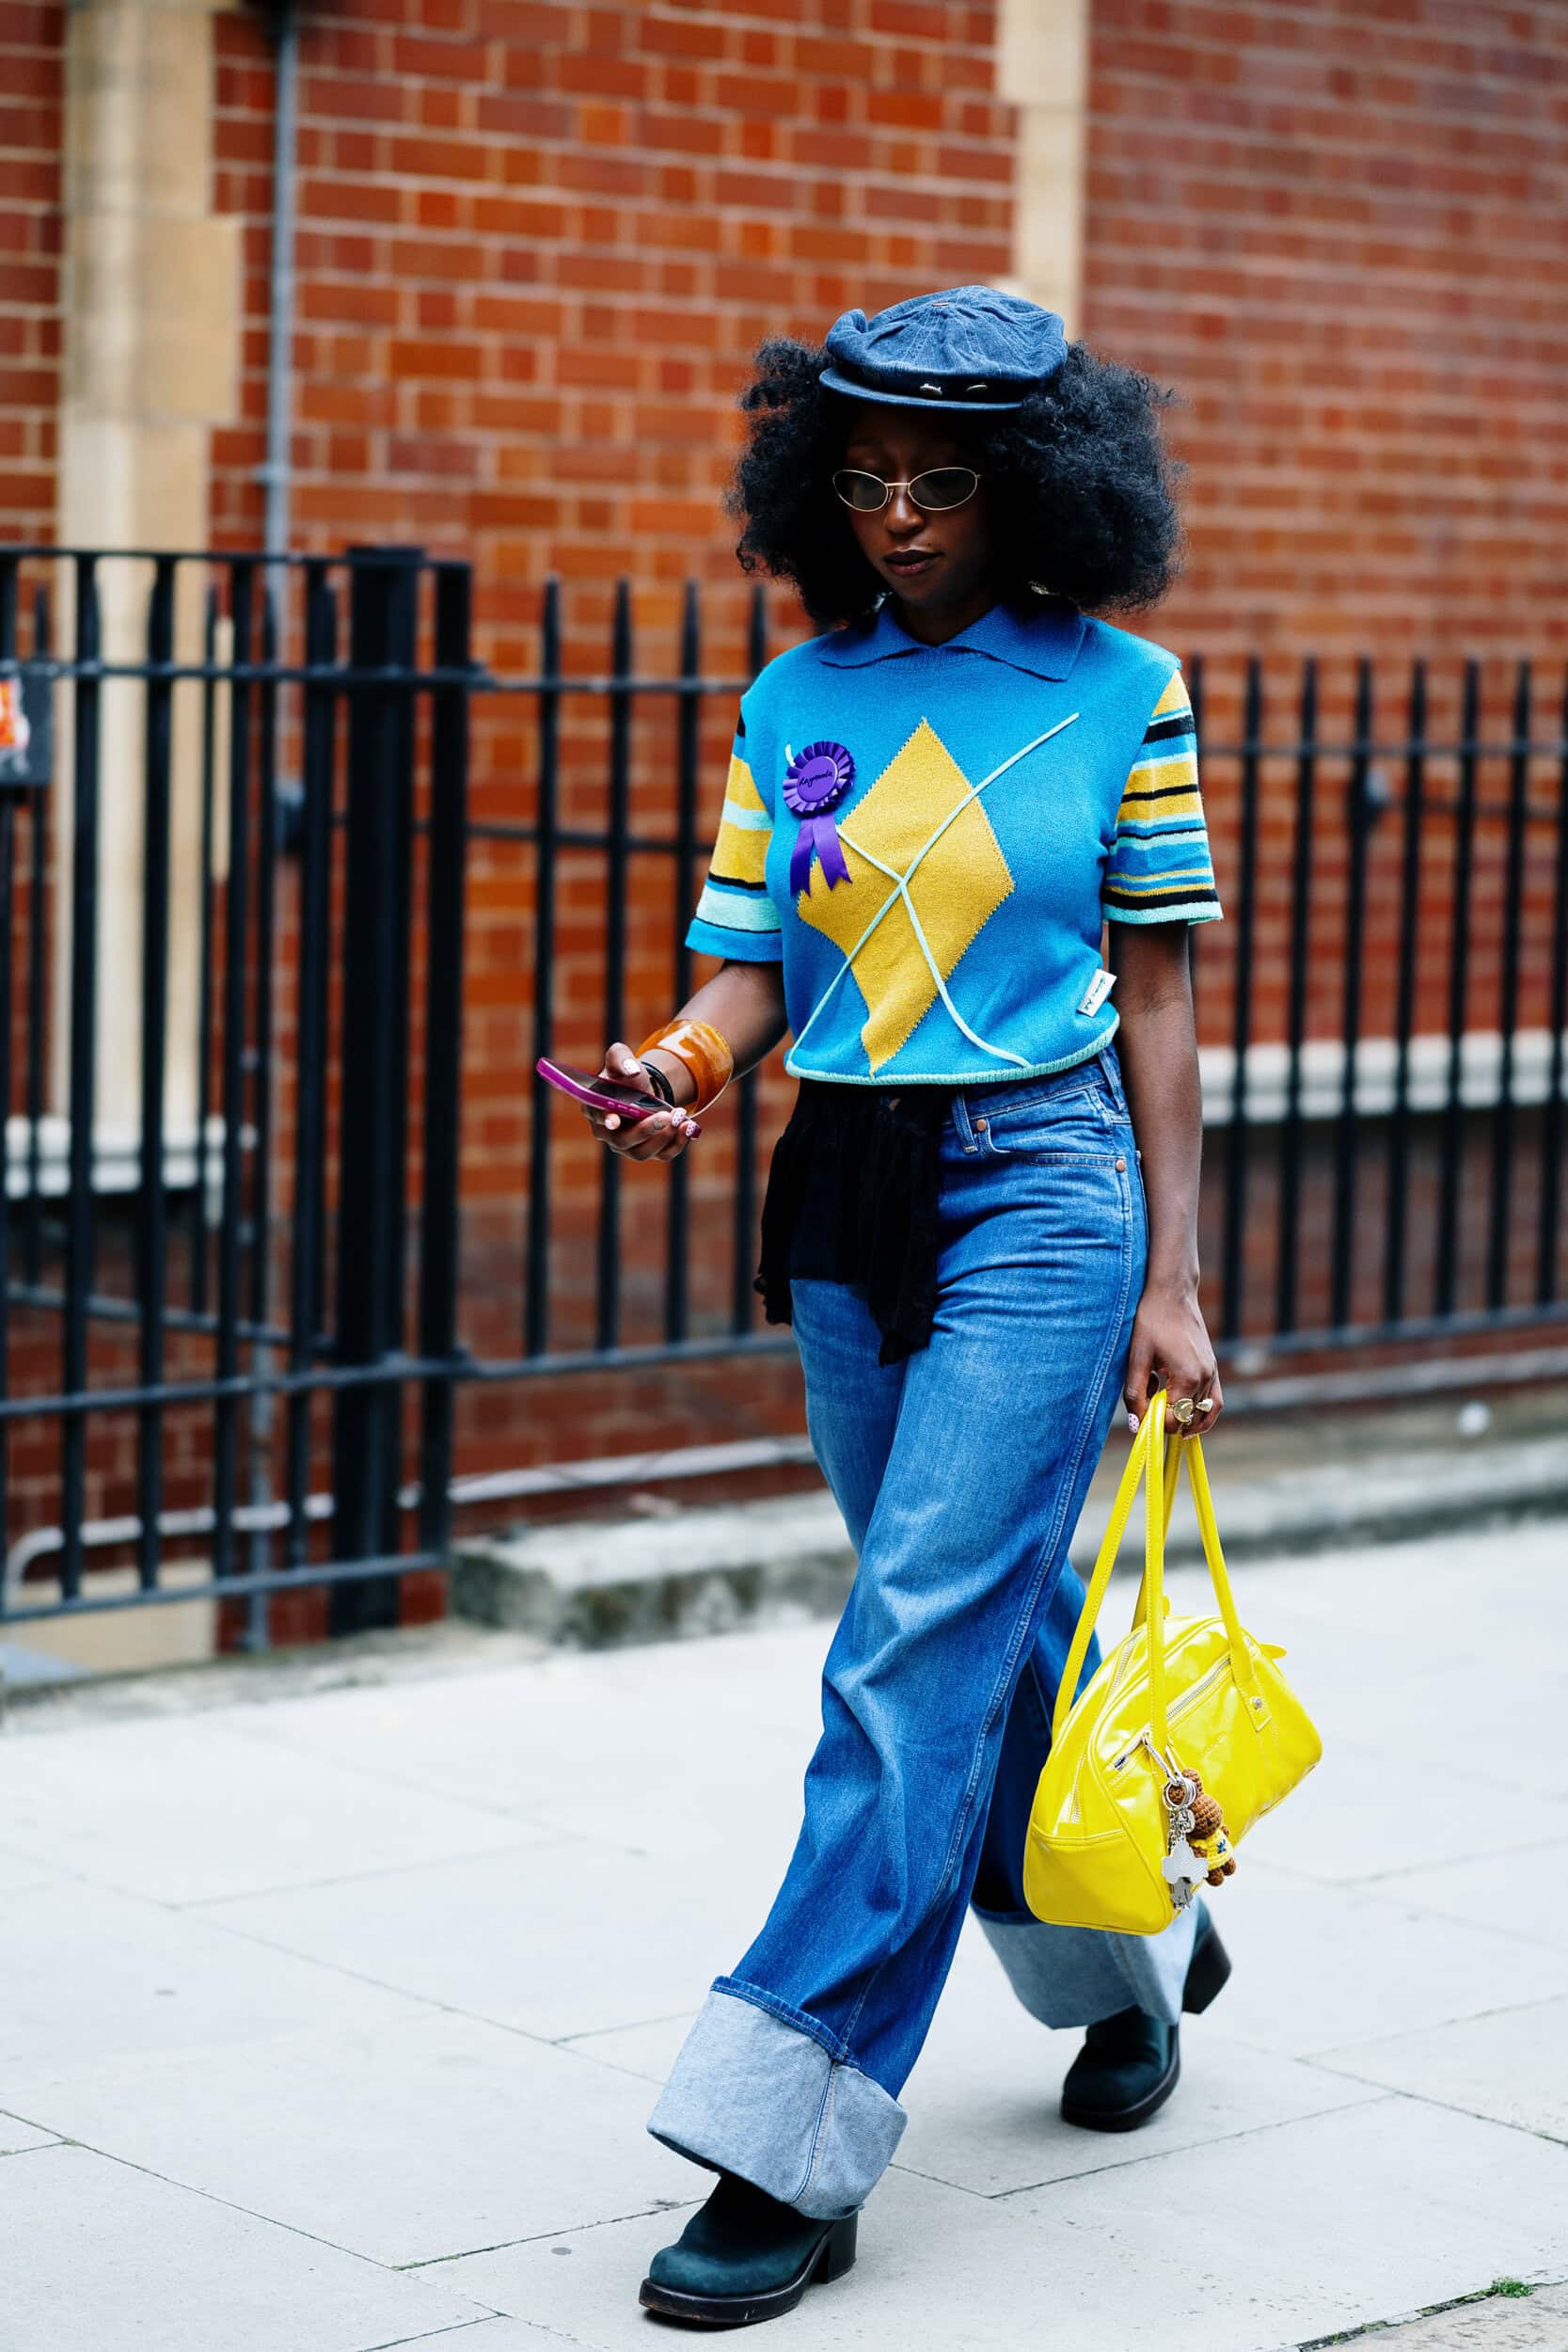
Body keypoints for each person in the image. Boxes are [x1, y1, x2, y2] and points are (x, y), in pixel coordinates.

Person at [580, 285, 1228, 2330]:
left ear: (1036, 486)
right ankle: (1140, 1937)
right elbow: (751, 962)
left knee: (905, 1643)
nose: (900, 517)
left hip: (1044, 1184)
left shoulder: (1127, 691)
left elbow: (1161, 994)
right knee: (979, 1614)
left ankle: (788, 2127)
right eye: (862, 481)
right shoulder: (797, 696)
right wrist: (683, 1065)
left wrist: (1176, 1279)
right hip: (845, 1178)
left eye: (943, 481)